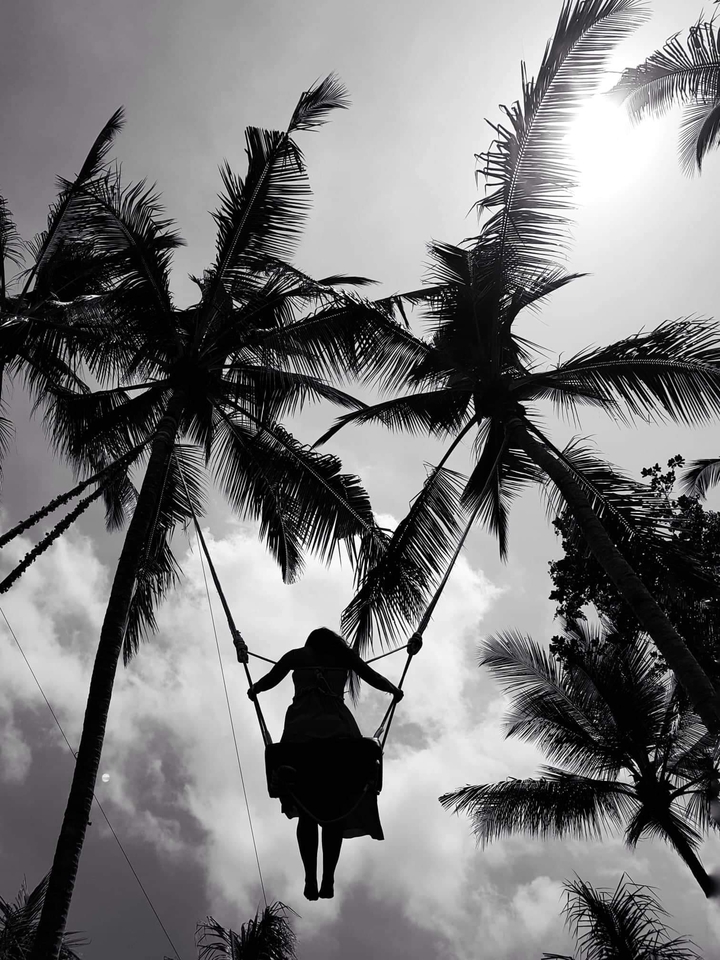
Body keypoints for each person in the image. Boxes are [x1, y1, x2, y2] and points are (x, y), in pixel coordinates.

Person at [247, 627, 403, 901]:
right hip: (338, 732)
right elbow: (371, 676)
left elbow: (273, 677)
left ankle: (311, 875)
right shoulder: (343, 656)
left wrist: (255, 689)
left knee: (308, 813)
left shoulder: (298, 655)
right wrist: (393, 689)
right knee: (335, 812)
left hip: (301, 731)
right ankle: (327, 876)